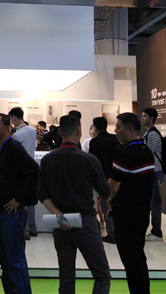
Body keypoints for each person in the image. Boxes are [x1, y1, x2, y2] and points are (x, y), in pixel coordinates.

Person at [38, 114, 112, 294]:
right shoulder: (89, 159)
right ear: (79, 131)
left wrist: (58, 214)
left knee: (66, 276)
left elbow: (42, 193)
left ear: (60, 132)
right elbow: (105, 191)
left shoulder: (47, 160)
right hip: (85, 221)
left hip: (60, 223)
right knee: (102, 275)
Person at [0, 113, 38, 294]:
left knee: (14, 261)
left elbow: (33, 172)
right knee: (5, 261)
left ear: (8, 127)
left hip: (11, 214)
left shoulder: (13, 147)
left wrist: (19, 199)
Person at [109, 112, 155, 293]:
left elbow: (112, 188)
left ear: (129, 130)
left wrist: (106, 202)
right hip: (142, 214)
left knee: (132, 262)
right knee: (138, 259)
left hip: (125, 216)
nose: (116, 131)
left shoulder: (126, 154)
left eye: (118, 127)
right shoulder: (146, 151)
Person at [89, 116, 120, 244]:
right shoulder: (114, 139)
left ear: (95, 127)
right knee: (114, 204)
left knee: (105, 205)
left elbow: (92, 161)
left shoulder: (94, 142)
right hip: (115, 176)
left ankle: (112, 233)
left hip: (101, 178)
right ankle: (116, 231)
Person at [9, 107, 38, 240]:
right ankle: (33, 227)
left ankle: (25, 230)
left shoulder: (17, 135)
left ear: (14, 118)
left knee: (22, 200)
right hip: (32, 167)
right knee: (31, 200)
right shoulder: (32, 131)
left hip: (20, 170)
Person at [141, 107, 164, 241]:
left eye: (145, 116)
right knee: (152, 202)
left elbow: (148, 153)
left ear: (151, 118)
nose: (142, 118)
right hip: (152, 171)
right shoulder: (148, 133)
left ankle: (157, 232)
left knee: (155, 203)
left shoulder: (153, 134)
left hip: (154, 172)